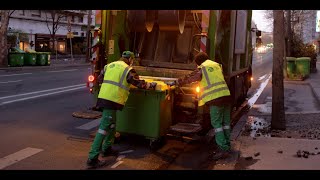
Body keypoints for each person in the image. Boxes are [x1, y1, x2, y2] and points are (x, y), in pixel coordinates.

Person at [86, 50, 157, 169]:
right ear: (130, 59)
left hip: (104, 98)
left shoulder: (108, 66)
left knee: (112, 124)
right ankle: (92, 158)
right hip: (112, 100)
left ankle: (107, 148)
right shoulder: (128, 69)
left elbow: (99, 79)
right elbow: (138, 83)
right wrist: (151, 85)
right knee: (103, 128)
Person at [166, 52, 232, 161]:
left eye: (197, 64)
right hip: (226, 96)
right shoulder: (216, 65)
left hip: (216, 99)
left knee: (217, 124)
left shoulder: (203, 67)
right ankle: (227, 145)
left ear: (199, 62)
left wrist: (176, 82)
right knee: (225, 123)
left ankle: (223, 149)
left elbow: (191, 77)